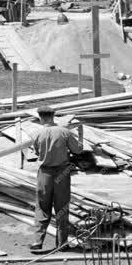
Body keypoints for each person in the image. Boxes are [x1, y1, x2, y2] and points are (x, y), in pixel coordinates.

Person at [29, 105, 83, 252]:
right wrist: (81, 137)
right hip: (62, 174)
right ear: (53, 117)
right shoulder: (65, 132)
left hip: (45, 174)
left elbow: (34, 153)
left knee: (42, 207)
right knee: (62, 208)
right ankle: (62, 243)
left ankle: (37, 242)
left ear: (40, 118)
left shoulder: (36, 134)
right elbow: (78, 150)